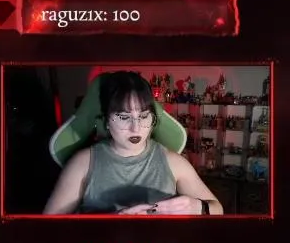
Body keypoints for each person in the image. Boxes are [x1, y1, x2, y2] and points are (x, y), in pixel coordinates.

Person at [43, 71, 224, 216]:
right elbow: (48, 227)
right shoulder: (82, 163)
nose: (136, 128)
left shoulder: (173, 162)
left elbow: (217, 209)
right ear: (106, 120)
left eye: (144, 116)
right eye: (124, 117)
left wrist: (198, 207)